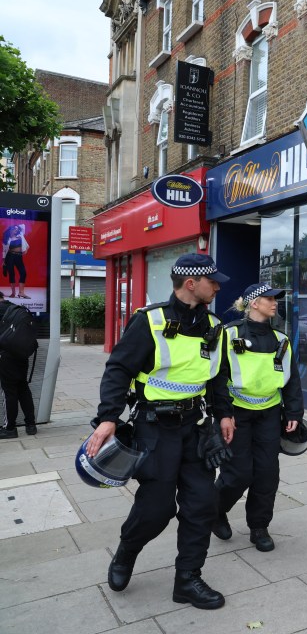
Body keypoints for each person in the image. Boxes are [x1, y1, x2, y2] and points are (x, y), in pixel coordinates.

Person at [84, 253, 235, 610]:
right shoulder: (148, 321)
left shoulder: (215, 326)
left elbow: (218, 377)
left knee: (201, 505)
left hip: (196, 429)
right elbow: (118, 369)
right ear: (190, 284)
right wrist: (108, 417)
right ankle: (127, 552)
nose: (218, 286)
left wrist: (224, 414)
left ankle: (188, 580)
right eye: (212, 281)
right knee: (156, 509)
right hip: (155, 429)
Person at [212, 282, 304, 553]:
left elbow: (291, 380)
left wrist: (294, 412)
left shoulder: (281, 340)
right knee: (238, 473)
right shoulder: (229, 334)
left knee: (267, 473)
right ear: (254, 303)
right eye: (269, 298)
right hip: (236, 414)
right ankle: (216, 511)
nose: (275, 302)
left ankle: (259, 526)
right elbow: (218, 376)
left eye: (276, 298)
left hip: (269, 413)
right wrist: (223, 413)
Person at [0, 292, 36, 438]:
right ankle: (31, 425)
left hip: (6, 357)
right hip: (22, 356)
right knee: (23, 388)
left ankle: (10, 428)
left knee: (10, 392)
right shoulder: (15, 308)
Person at [2, 224, 28, 299]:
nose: (16, 230)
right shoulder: (7, 239)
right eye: (14, 229)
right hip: (10, 256)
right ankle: (13, 293)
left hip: (18, 256)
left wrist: (16, 226)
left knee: (23, 273)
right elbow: (4, 251)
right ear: (11, 229)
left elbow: (23, 226)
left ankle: (21, 293)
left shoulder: (20, 235)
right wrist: (3, 261)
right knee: (11, 274)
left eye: (17, 229)